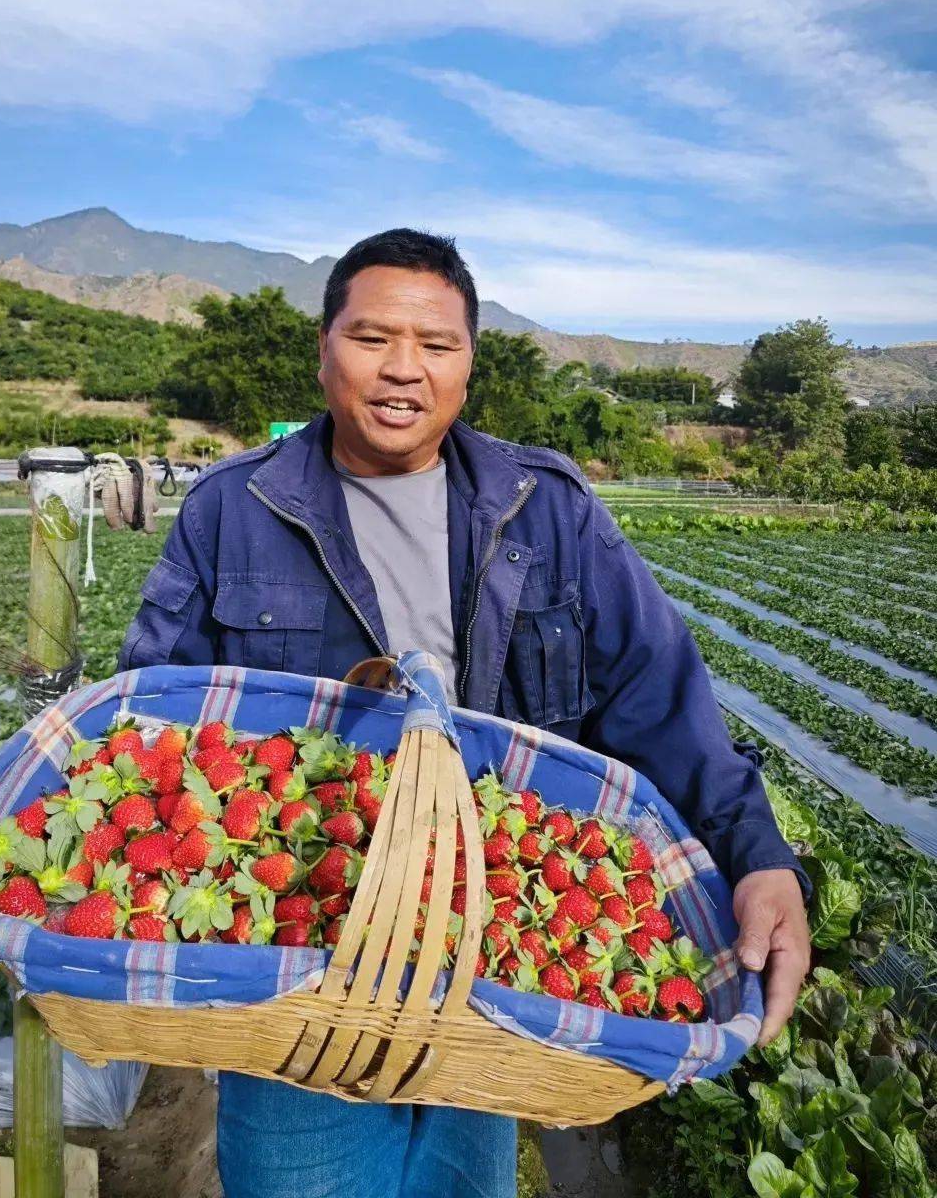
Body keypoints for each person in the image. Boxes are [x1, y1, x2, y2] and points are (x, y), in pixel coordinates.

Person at [117, 228, 810, 1198]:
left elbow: (656, 694)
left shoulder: (550, 512)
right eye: (372, 337)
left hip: (491, 963)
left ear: (470, 365)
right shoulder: (235, 508)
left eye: (436, 345)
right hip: (301, 972)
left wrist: (757, 855)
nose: (404, 369)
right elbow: (155, 718)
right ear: (323, 349)